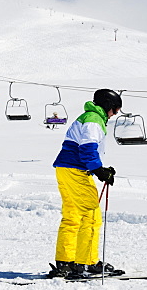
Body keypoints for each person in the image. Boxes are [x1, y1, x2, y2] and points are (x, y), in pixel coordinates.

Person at [49, 89, 124, 279]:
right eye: (114, 110)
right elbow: (88, 146)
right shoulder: (94, 118)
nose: (114, 114)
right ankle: (86, 263)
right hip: (76, 170)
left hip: (65, 168)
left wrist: (99, 168)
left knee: (72, 216)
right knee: (91, 215)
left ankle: (66, 262)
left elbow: (84, 147)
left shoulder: (86, 117)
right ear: (107, 105)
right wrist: (98, 170)